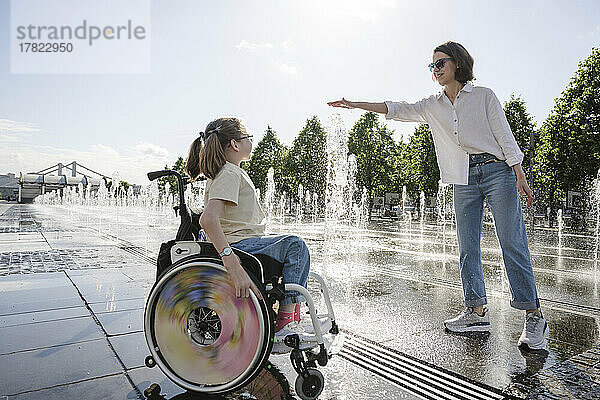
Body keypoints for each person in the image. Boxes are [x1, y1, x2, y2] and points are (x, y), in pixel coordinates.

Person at [328, 41, 548, 351]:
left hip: (497, 170)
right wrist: (355, 104)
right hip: (463, 177)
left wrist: (519, 173)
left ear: (457, 62)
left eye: (440, 62)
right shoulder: (433, 105)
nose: (436, 69)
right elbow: (397, 108)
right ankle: (475, 311)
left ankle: (533, 315)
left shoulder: (483, 95)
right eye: (432, 65)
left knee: (512, 242)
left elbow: (504, 134)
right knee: (467, 245)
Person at [185, 117, 315, 341]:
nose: (251, 141)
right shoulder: (229, 172)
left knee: (291, 248)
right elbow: (208, 219)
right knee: (296, 245)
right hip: (240, 246)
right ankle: (287, 321)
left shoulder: (228, 171)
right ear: (235, 144)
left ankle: (293, 317)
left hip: (244, 242)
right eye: (248, 137)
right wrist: (232, 262)